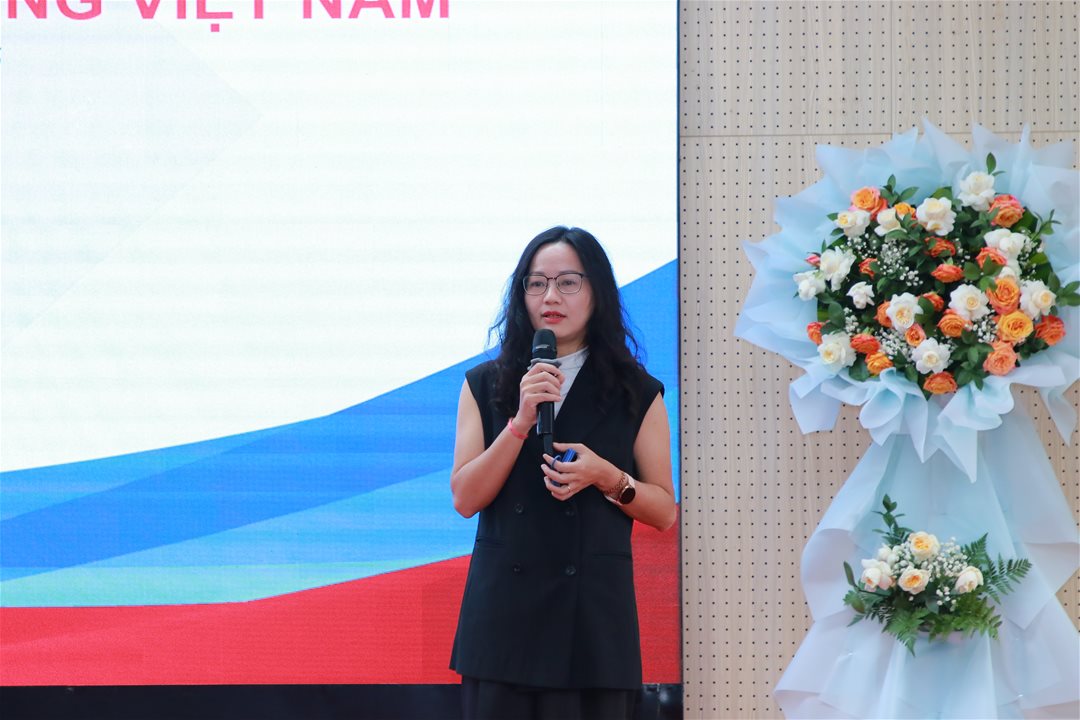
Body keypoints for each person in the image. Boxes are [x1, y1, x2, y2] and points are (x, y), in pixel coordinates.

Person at [449, 226, 676, 720]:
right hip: (504, 625)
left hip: (591, 627)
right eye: (537, 283)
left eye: (568, 282)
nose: (550, 297)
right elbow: (465, 498)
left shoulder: (637, 392)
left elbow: (663, 511)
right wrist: (519, 423)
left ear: (597, 291)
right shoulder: (485, 384)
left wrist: (607, 476)